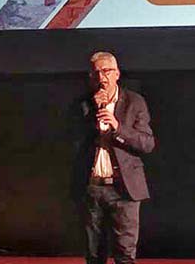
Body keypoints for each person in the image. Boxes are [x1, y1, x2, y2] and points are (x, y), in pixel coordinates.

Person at [71, 51, 155, 264]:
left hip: (124, 189)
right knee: (93, 254)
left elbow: (147, 144)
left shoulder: (134, 102)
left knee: (125, 254)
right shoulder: (83, 104)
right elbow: (72, 140)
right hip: (92, 188)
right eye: (96, 73)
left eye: (106, 71)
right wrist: (93, 112)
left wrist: (118, 127)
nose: (102, 77)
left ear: (117, 73)